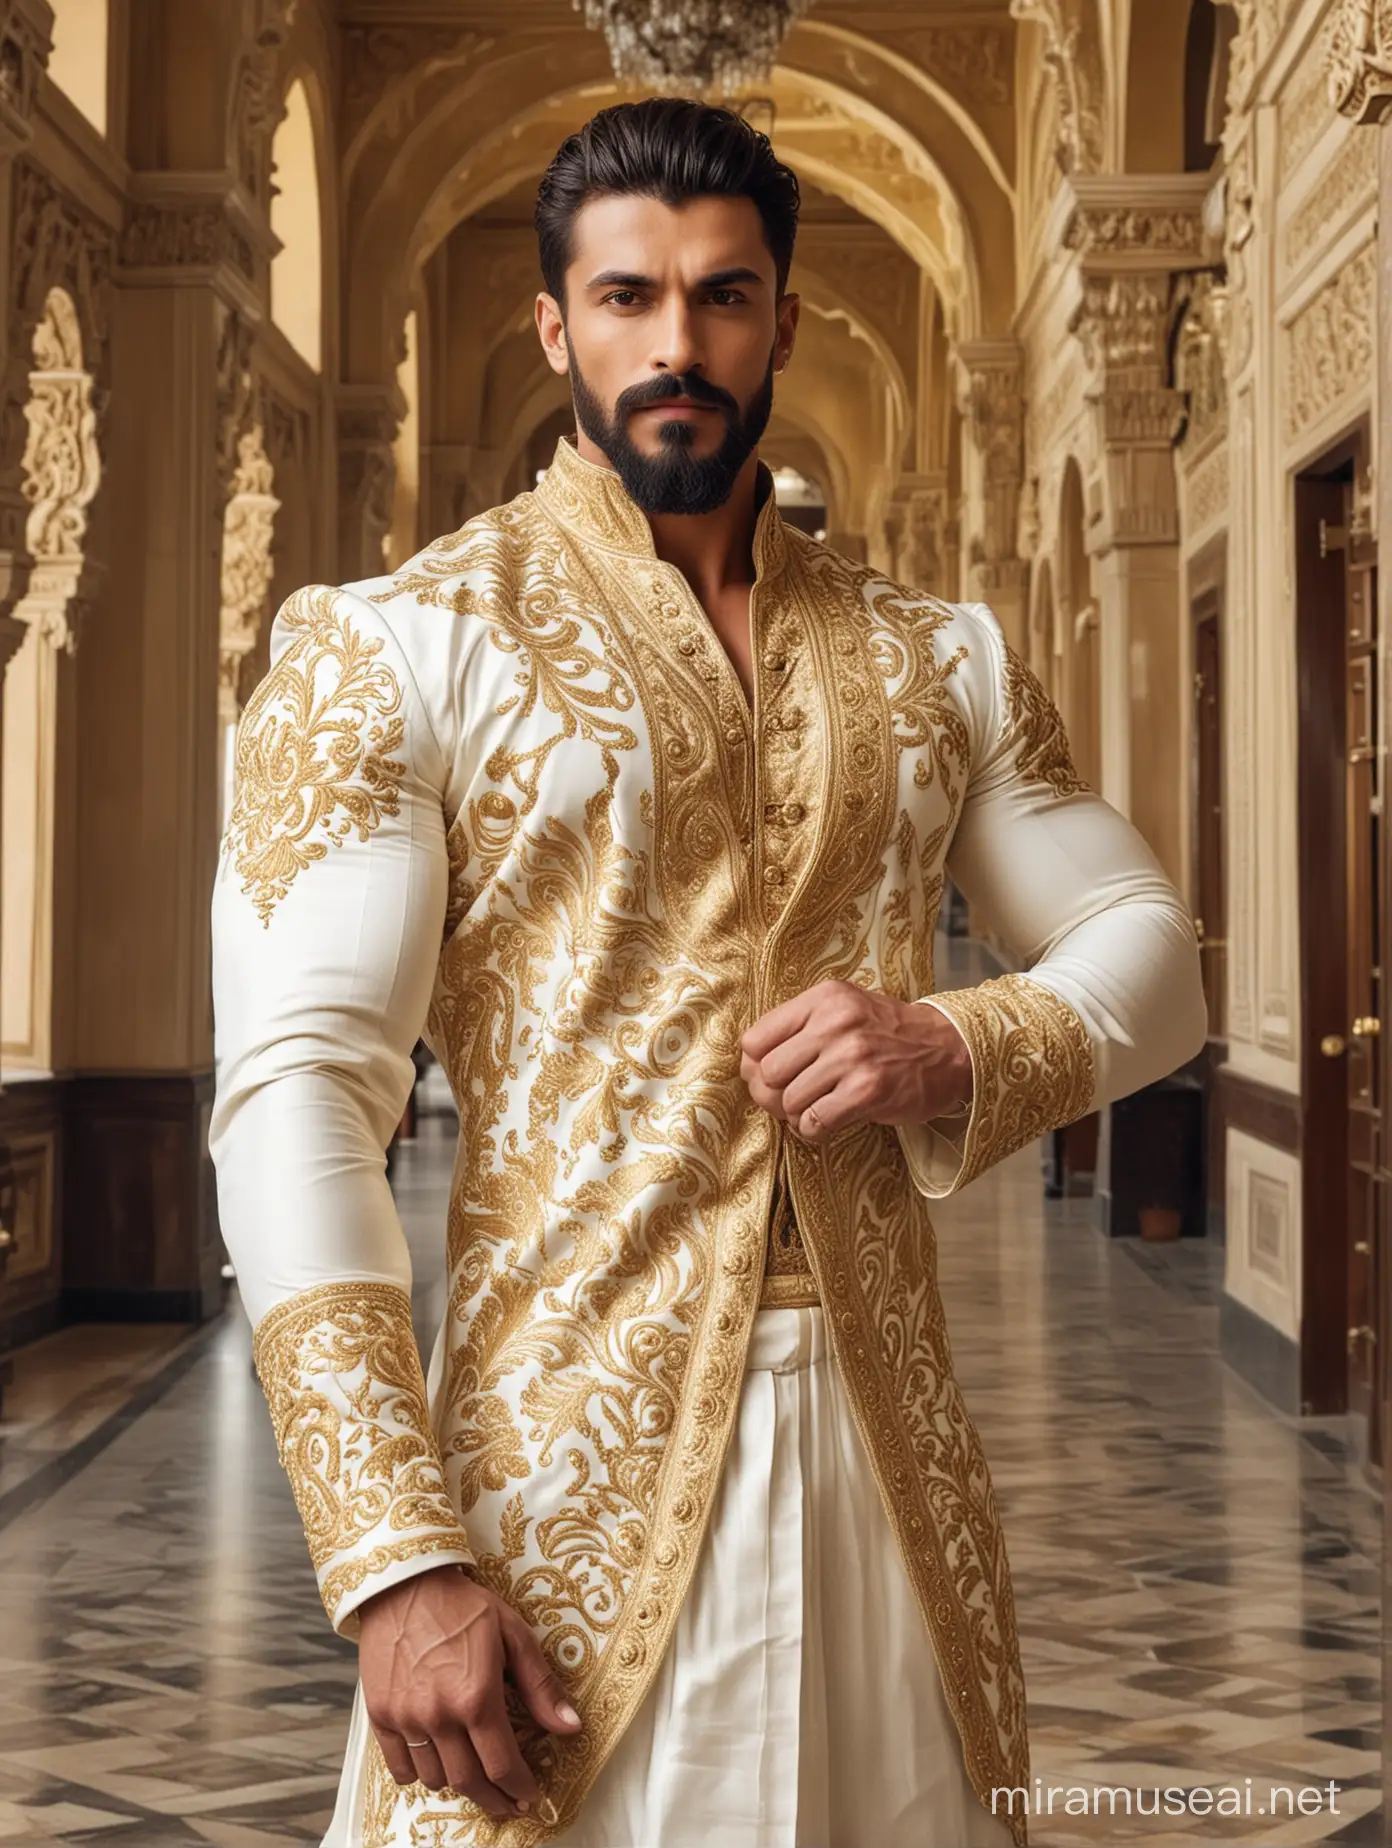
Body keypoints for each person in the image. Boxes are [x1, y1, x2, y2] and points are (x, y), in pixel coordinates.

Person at [209, 97, 1206, 1848]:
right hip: (550, 1493)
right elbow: (299, 1089)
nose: (678, 344)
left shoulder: (933, 654)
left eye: (724, 296)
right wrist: (394, 1559)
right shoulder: (400, 645)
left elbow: (1153, 954)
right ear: (556, 325)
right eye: (628, 298)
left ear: (783, 323)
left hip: (895, 1475)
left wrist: (957, 1040)